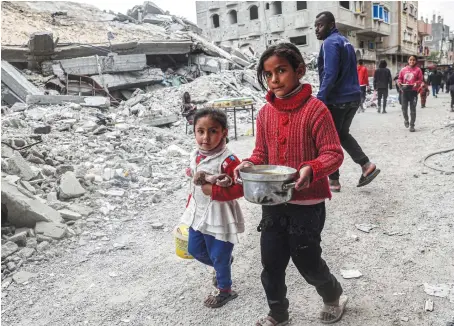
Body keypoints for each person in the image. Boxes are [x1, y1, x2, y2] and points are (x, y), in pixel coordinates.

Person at [233, 42, 348, 326]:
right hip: (273, 202)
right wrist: (249, 164)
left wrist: (313, 167)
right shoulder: (265, 113)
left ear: (299, 71)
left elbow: (333, 153)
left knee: (307, 261)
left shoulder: (316, 110)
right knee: (271, 263)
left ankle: (333, 295)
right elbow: (261, 154)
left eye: (281, 71)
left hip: (307, 204)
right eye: (268, 74)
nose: (274, 80)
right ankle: (278, 314)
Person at [181, 108, 244, 308]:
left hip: (220, 216)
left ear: (224, 132)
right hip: (198, 213)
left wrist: (215, 191)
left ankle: (225, 290)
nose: (205, 137)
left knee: (218, 253)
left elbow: (241, 187)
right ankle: (222, 264)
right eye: (200, 131)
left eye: (213, 131)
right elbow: (193, 176)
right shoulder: (196, 154)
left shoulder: (230, 160)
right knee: (195, 249)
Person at [314, 11, 380, 192]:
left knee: (327, 140)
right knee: (341, 134)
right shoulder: (345, 42)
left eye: (319, 25)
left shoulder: (329, 43)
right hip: (353, 97)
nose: (316, 30)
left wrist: (320, 99)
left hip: (338, 100)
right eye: (315, 26)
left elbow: (330, 73)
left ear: (330, 24)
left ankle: (334, 181)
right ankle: (366, 165)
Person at [397, 55, 423, 132]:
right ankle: (406, 120)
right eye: (410, 60)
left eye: (413, 60)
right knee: (404, 108)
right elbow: (399, 79)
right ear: (408, 60)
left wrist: (417, 83)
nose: (412, 61)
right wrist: (399, 83)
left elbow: (420, 80)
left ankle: (412, 125)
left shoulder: (418, 70)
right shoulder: (403, 70)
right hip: (404, 92)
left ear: (416, 61)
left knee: (413, 109)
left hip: (414, 92)